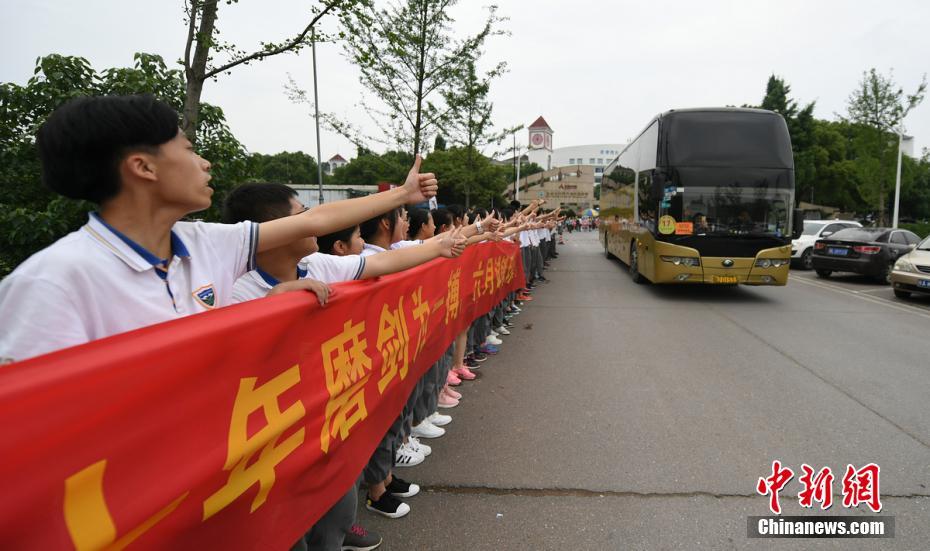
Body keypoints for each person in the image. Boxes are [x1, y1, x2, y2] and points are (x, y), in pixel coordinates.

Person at [0, 94, 439, 363]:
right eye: (188, 149)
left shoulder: (203, 241)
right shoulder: (51, 283)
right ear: (142, 166)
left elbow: (313, 221)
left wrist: (402, 196)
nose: (204, 163)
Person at [223, 182, 465, 551]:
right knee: (287, 528)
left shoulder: (317, 264)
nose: (312, 220)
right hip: (280, 433)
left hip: (330, 415)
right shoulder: (240, 293)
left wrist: (441, 246)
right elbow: (237, 371)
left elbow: (381, 262)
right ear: (270, 229)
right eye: (300, 213)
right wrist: (272, 307)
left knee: (337, 507)